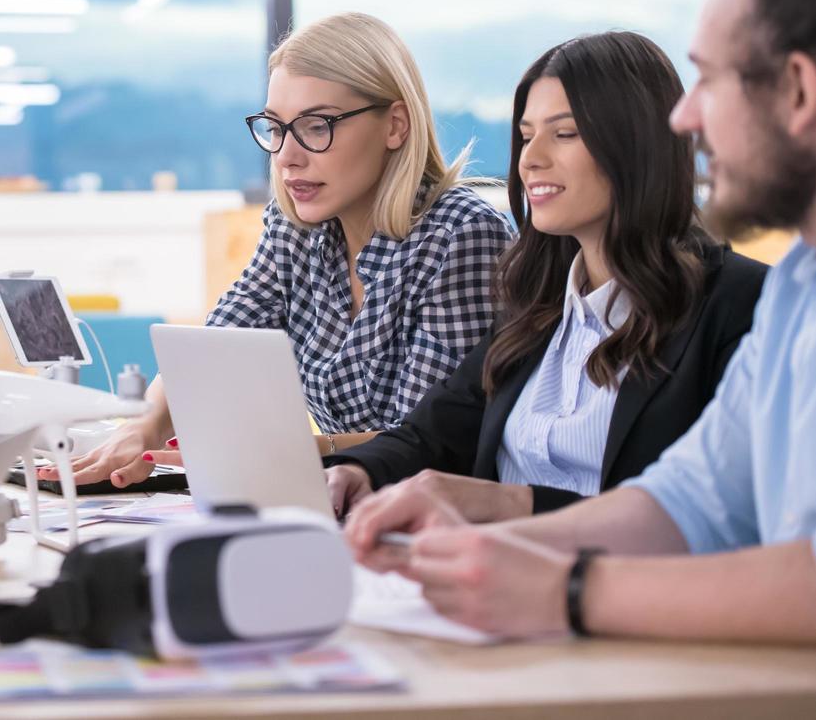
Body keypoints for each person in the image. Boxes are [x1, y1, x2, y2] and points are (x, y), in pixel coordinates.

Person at [345, 0, 816, 643]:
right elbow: (689, 501)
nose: (684, 119)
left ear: (797, 90)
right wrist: (489, 546)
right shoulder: (798, 290)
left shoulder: (746, 300)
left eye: (710, 80)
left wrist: (566, 587)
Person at [322, 32, 765, 521]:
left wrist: (513, 503)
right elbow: (432, 432)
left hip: (617, 590)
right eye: (527, 136)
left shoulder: (741, 306)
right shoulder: (535, 306)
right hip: (485, 579)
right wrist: (358, 470)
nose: (529, 160)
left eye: (565, 133)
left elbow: (719, 518)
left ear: (637, 144)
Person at [67, 12, 513, 488]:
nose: (286, 156)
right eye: (275, 128)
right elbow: (213, 351)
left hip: (432, 515)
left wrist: (263, 445)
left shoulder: (463, 234)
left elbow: (425, 442)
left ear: (395, 125)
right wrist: (145, 428)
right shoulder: (298, 227)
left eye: (316, 126)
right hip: (338, 496)